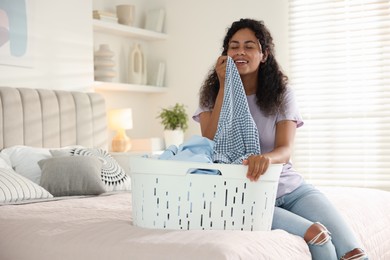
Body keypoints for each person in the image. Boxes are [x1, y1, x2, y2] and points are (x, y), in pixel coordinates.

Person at [192, 18, 367, 260]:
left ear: (264, 55)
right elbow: (210, 141)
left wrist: (264, 158)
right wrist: (224, 85)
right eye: (234, 46)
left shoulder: (282, 94)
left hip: (291, 188)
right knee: (319, 238)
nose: (240, 51)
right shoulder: (212, 95)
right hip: (248, 194)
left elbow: (285, 149)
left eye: (249, 46)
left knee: (354, 252)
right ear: (226, 53)